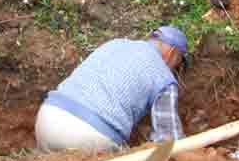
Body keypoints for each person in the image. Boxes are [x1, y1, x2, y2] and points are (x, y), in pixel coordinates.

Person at [35, 26, 188, 152]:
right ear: (172, 53)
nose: (175, 68)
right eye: (178, 62)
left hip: (47, 119)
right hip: (90, 136)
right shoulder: (164, 76)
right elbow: (169, 140)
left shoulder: (115, 43)